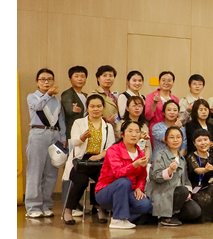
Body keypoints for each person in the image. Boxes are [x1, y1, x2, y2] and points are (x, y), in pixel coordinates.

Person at [62, 94, 115, 224]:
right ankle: (68, 210)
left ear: (103, 108)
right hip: (81, 160)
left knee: (103, 179)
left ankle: (99, 208)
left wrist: (99, 156)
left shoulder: (107, 126)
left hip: (99, 159)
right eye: (92, 106)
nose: (96, 109)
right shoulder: (79, 123)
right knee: (81, 181)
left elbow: (110, 147)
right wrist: (82, 138)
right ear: (87, 108)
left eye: (99, 106)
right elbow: (74, 141)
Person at [94, 120, 153, 229]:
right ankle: (118, 219)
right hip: (106, 190)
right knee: (124, 181)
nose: (134, 134)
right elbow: (118, 173)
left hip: (128, 191)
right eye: (130, 131)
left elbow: (142, 176)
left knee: (145, 205)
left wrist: (139, 188)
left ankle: (124, 218)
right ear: (122, 134)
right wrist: (134, 165)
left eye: (137, 132)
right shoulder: (113, 150)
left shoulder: (140, 153)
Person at [26, 68, 66, 219]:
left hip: (54, 134)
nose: (46, 82)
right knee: (35, 171)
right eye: (42, 79)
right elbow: (38, 107)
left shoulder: (57, 100)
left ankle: (46, 205)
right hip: (38, 133)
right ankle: (33, 206)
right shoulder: (32, 97)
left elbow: (61, 120)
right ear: (37, 82)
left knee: (51, 173)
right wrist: (48, 94)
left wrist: (62, 137)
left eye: (49, 79)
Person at [150, 126, 201, 226]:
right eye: (172, 137)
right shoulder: (160, 155)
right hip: (163, 192)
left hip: (179, 194)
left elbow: (185, 179)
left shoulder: (182, 158)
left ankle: (174, 215)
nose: (175, 140)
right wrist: (169, 171)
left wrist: (189, 192)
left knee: (195, 211)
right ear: (166, 139)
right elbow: (156, 176)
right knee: (182, 191)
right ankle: (166, 217)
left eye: (178, 137)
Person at [186, 129, 213, 222]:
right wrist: (205, 169)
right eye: (199, 140)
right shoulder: (191, 156)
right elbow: (197, 170)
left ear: (210, 142)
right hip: (196, 187)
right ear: (194, 143)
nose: (203, 143)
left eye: (205, 139)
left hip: (208, 185)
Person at [61, 66, 88, 143]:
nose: (80, 79)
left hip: (85, 131)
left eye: (82, 76)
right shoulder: (67, 94)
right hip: (72, 131)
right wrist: (72, 109)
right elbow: (68, 109)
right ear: (70, 79)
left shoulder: (86, 95)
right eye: (76, 76)